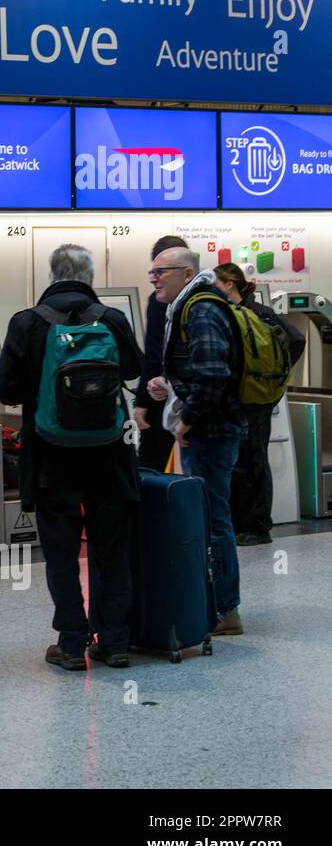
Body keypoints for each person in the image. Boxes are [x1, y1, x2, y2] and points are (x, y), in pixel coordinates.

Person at [0, 245, 143, 671]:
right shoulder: (111, 319)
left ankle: (72, 643)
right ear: (89, 276)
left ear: (52, 274)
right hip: (109, 455)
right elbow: (133, 369)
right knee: (111, 549)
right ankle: (115, 642)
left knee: (61, 553)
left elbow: (6, 390)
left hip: (50, 457)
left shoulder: (28, 322)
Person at [146, 247, 245, 636]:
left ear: (187, 274)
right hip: (208, 429)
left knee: (215, 520)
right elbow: (199, 371)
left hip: (211, 432)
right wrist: (166, 386)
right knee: (210, 517)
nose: (153, 278)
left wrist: (187, 419)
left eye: (160, 271)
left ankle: (226, 609)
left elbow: (214, 374)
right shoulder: (187, 308)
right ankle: (218, 604)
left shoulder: (201, 309)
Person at [215, 262, 305, 546]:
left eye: (216, 283)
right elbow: (296, 340)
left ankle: (256, 527)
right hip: (250, 397)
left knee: (251, 461)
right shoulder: (253, 313)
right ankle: (245, 524)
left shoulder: (253, 314)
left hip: (252, 399)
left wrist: (275, 377)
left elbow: (298, 340)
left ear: (229, 284)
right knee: (244, 460)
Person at [133, 236, 190, 472]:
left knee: (154, 469)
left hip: (168, 401)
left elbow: (156, 355)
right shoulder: (207, 299)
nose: (155, 279)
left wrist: (142, 402)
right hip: (193, 402)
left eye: (160, 271)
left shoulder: (161, 300)